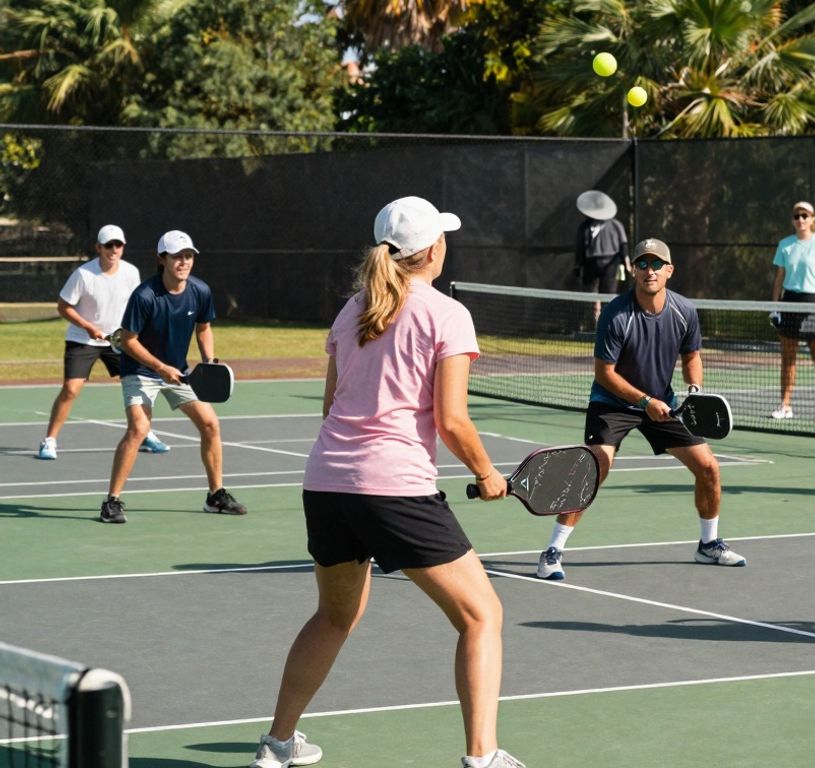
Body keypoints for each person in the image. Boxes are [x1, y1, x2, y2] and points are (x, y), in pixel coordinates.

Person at [251, 196, 522, 768]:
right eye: (444, 237)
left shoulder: (352, 310)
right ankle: (483, 757)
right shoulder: (447, 314)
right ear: (432, 250)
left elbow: (330, 405)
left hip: (326, 483)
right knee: (481, 616)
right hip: (393, 486)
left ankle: (276, 746)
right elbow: (451, 421)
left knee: (333, 616)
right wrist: (487, 473)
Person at [535, 237, 746, 581]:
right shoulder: (616, 315)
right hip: (613, 403)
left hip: (663, 403)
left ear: (669, 271)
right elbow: (604, 374)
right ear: (633, 270)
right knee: (594, 470)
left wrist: (693, 391)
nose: (650, 270)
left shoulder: (684, 311)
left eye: (657, 264)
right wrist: (644, 402)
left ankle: (709, 545)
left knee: (708, 468)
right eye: (643, 264)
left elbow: (692, 356)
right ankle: (552, 551)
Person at [100, 230, 246, 524]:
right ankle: (111, 502)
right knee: (139, 429)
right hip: (140, 370)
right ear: (161, 259)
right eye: (177, 256)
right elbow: (128, 341)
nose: (184, 262)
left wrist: (208, 362)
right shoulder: (145, 295)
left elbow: (203, 327)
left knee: (210, 424)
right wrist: (159, 368)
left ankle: (215, 496)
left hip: (178, 372)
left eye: (188, 256)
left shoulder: (200, 291)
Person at [37, 225, 169, 460]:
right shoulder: (83, 275)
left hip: (120, 341)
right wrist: (88, 326)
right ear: (99, 247)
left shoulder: (130, 273)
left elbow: (136, 305)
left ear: (123, 247)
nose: (114, 249)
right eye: (109, 245)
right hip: (82, 340)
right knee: (71, 389)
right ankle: (49, 440)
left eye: (118, 245)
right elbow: (63, 306)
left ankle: (144, 433)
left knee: (138, 385)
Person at [770, 200, 815, 422]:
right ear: (793, 219)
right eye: (797, 216)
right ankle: (785, 406)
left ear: (813, 219)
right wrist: (775, 308)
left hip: (814, 303)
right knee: (788, 359)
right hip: (789, 303)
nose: (801, 219)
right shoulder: (785, 245)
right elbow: (779, 278)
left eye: (805, 215)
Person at [574, 189, 629, 322]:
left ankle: (611, 323)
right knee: (592, 296)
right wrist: (577, 266)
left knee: (609, 296)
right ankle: (596, 324)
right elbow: (580, 248)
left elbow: (624, 245)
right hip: (590, 264)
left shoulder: (616, 225)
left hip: (611, 264)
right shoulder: (584, 227)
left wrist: (627, 263)